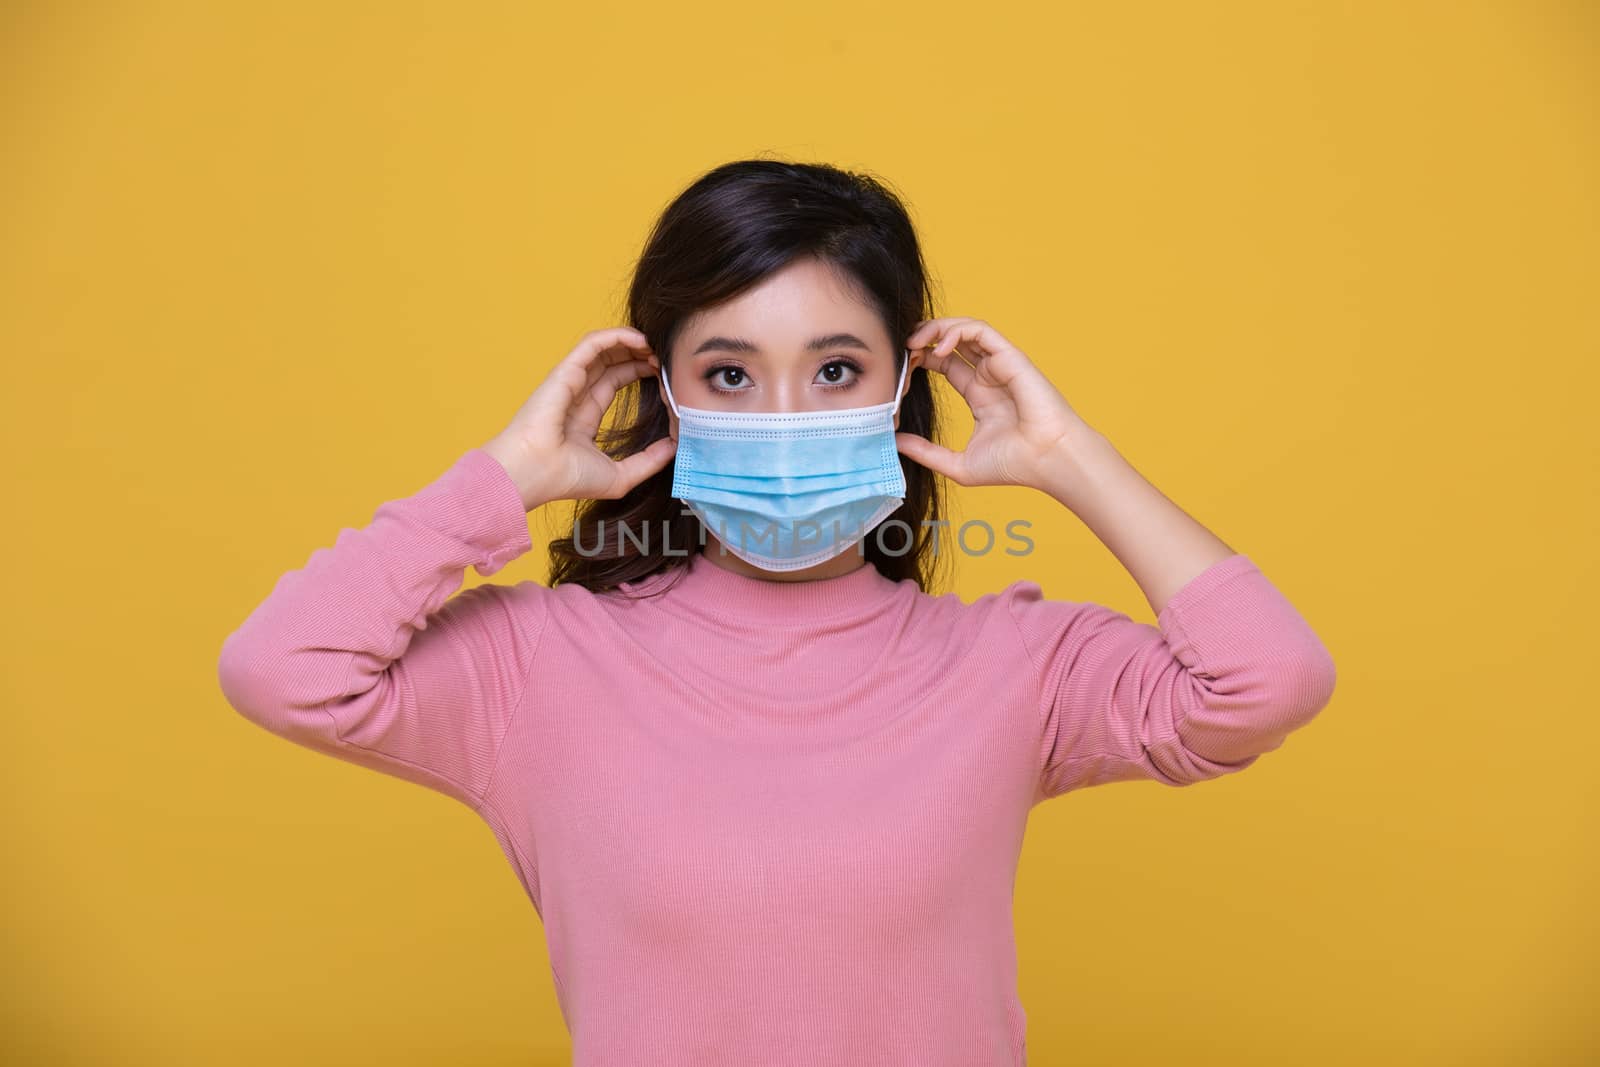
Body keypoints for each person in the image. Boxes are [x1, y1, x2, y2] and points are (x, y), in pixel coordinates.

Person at [217, 159, 1337, 1066]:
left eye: (836, 368)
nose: (787, 412)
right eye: (732, 373)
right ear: (665, 392)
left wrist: (1068, 458)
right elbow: (283, 668)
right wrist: (504, 476)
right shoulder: (540, 663)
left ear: (903, 383)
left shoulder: (1013, 661)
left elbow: (1266, 682)